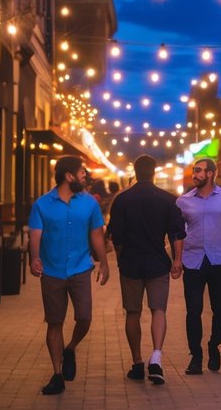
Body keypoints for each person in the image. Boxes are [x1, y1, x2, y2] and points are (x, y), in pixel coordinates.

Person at [28, 156, 110, 395]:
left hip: (81, 269)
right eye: (82, 172)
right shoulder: (42, 204)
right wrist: (35, 258)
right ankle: (57, 374)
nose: (85, 176)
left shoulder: (89, 204)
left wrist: (104, 263)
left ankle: (71, 348)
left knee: (84, 317)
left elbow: (96, 235)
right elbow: (35, 235)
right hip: (52, 272)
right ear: (69, 176)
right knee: (54, 322)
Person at [107, 154, 185, 384]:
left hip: (130, 263)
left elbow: (116, 236)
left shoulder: (122, 200)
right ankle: (157, 357)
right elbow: (177, 233)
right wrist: (177, 260)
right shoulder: (167, 199)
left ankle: (137, 362)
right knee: (158, 309)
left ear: (134, 171)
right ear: (154, 172)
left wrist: (121, 259)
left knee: (133, 312)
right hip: (158, 262)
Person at [176, 158, 221, 376]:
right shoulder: (183, 201)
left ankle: (214, 346)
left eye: (199, 171)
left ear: (211, 174)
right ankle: (196, 357)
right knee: (193, 310)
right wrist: (176, 259)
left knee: (220, 309)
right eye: (194, 171)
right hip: (192, 260)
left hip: (218, 260)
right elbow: (177, 232)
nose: (195, 175)